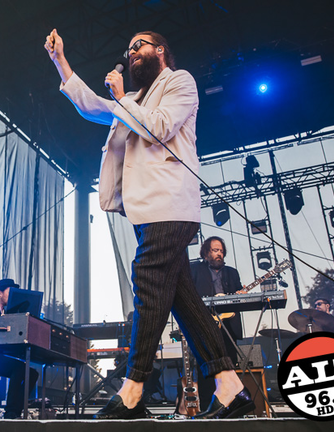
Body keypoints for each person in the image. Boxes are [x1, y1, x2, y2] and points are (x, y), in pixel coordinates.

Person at [44, 29, 253, 419]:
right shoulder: (133, 99)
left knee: (147, 283)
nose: (132, 51)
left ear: (160, 51)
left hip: (170, 205)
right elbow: (92, 106)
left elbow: (158, 127)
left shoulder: (179, 81)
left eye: (139, 45)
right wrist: (61, 61)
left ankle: (133, 390)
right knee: (183, 301)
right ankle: (230, 386)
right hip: (147, 211)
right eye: (129, 48)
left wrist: (122, 97)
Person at [190, 236, 247, 410]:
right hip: (206, 323)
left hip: (228, 325)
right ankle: (208, 408)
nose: (219, 254)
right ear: (206, 252)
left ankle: (232, 405)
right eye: (215, 250)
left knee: (230, 364)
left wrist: (240, 295)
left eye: (221, 251)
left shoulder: (232, 272)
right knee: (206, 365)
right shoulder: (195, 269)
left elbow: (237, 297)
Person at [0, 278, 40, 419]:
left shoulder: (8, 313)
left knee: (32, 374)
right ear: (0, 292)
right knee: (18, 369)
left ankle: (15, 411)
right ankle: (11, 412)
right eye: (10, 292)